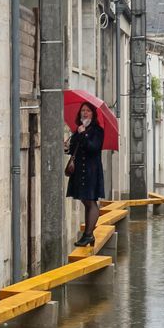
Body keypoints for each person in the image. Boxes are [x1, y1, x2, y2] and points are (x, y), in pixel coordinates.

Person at [67, 100, 105, 247]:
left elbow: (93, 147)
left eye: (88, 110)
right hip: (79, 171)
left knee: (90, 201)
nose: (85, 113)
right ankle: (88, 234)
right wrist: (68, 146)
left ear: (93, 114)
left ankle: (88, 235)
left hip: (91, 171)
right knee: (85, 200)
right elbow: (74, 149)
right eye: (83, 110)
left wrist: (83, 135)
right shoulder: (78, 130)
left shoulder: (98, 131)